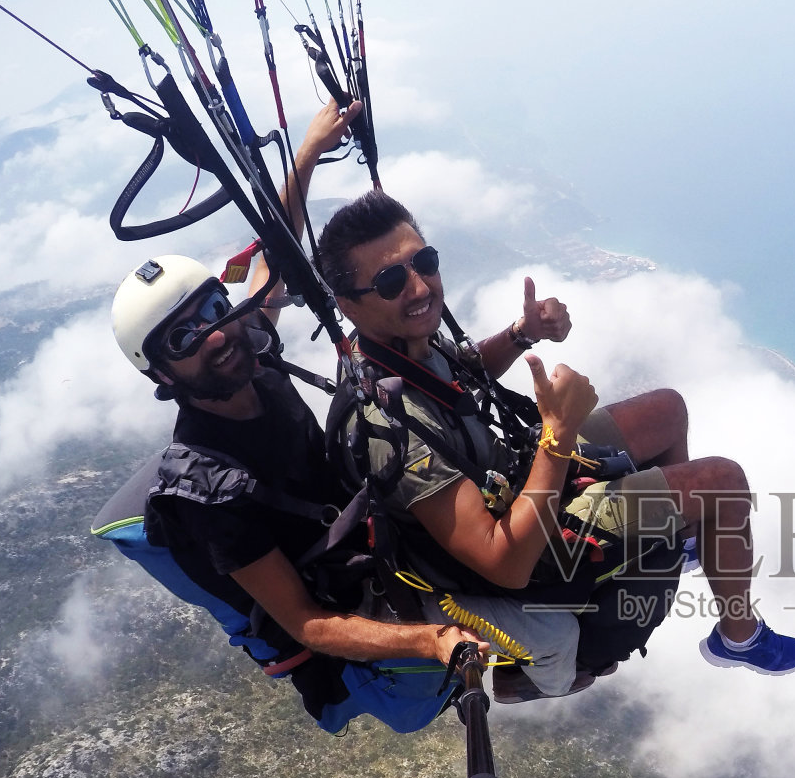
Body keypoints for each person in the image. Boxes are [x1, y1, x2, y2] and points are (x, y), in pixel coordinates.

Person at [103, 99, 523, 733]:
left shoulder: (255, 356)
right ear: (161, 376)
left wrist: (307, 152)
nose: (214, 336)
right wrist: (429, 642)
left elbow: (273, 259)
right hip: (356, 614)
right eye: (183, 339)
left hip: (377, 536)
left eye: (213, 310)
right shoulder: (209, 492)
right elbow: (305, 621)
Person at [313, 190, 795, 687]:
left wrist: (520, 333)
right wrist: (557, 435)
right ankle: (738, 637)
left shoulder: (392, 345)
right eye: (390, 280)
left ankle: (678, 533)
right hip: (522, 540)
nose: (420, 287)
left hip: (508, 472)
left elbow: (454, 375)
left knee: (667, 410)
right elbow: (501, 562)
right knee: (723, 483)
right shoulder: (388, 429)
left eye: (425, 261)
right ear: (349, 306)